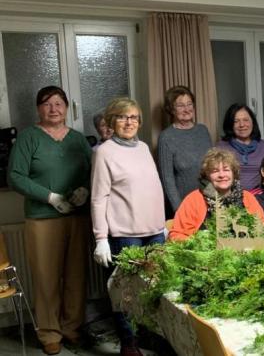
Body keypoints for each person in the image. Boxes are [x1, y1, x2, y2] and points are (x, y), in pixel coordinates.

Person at [7, 86, 92, 355]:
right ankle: (49, 333)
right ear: (38, 109)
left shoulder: (78, 140)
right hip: (43, 218)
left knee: (76, 274)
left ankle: (72, 328)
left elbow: (94, 171)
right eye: (47, 104)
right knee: (46, 277)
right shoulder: (28, 138)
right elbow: (16, 177)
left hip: (77, 217)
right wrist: (50, 197)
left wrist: (85, 190)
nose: (53, 109)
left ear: (67, 107)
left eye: (58, 103)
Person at [90, 98, 164, 356]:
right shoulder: (104, 152)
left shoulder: (143, 147)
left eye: (133, 117)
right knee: (125, 294)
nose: (129, 122)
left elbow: (152, 188)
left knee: (155, 289)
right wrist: (101, 238)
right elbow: (99, 197)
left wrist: (161, 224)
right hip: (125, 236)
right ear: (111, 122)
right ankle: (129, 344)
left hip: (154, 232)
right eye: (122, 117)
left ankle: (151, 338)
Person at [169, 148, 264, 241]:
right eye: (215, 171)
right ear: (207, 175)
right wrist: (201, 244)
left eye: (226, 170)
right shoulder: (194, 199)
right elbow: (177, 235)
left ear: (234, 173)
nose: (221, 175)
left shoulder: (247, 197)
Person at [157, 85, 212, 216]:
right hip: (184, 204)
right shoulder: (166, 137)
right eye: (180, 106)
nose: (186, 109)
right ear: (171, 110)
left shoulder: (202, 130)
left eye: (189, 104)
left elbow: (212, 166)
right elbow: (167, 179)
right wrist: (180, 210)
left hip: (209, 201)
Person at [215, 103, 264, 190]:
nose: (242, 125)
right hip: (230, 199)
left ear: (252, 122)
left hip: (260, 199)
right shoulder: (221, 147)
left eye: (246, 120)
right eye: (236, 121)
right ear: (230, 124)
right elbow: (210, 177)